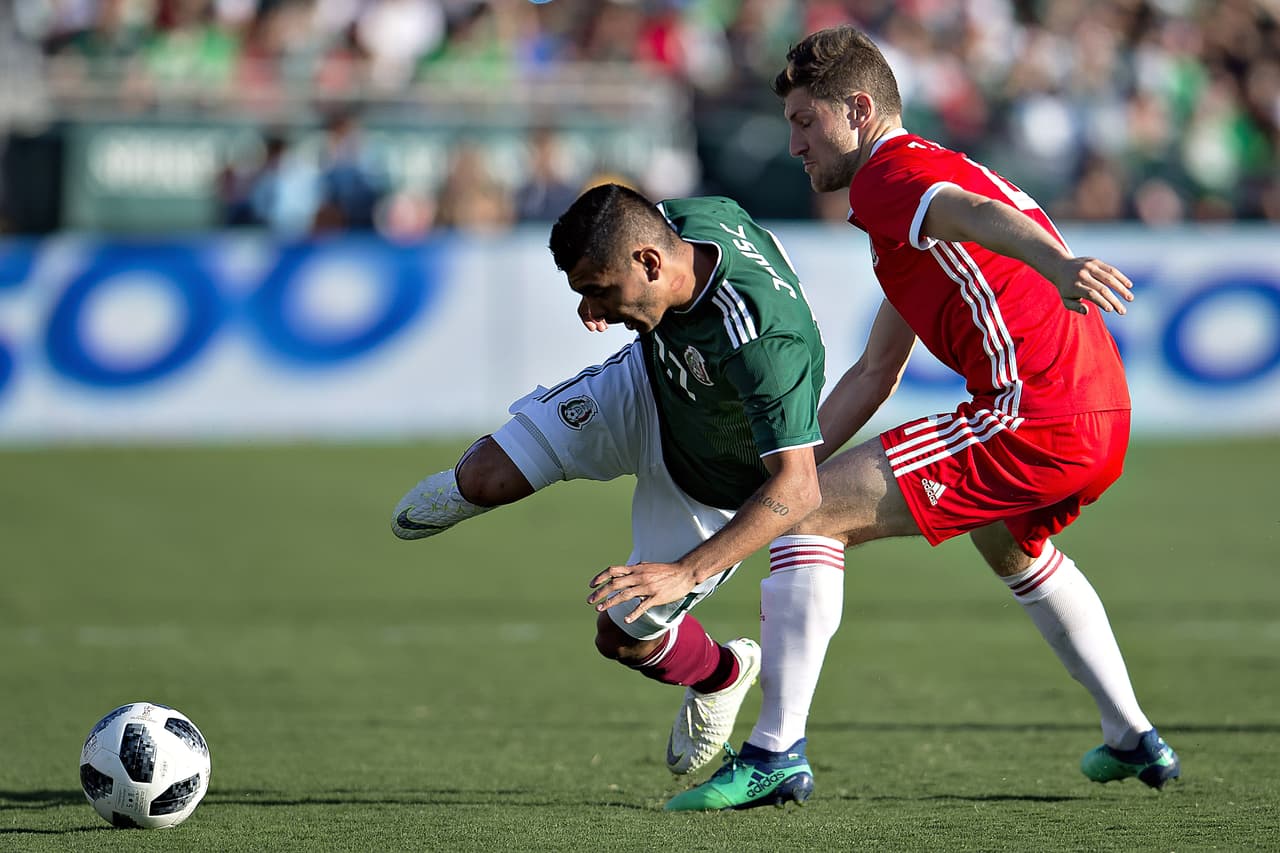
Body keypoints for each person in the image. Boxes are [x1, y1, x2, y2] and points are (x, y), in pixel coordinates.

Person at [589, 26, 1181, 811]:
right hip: (1097, 412)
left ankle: (775, 752)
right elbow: (876, 372)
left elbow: (972, 212)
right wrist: (781, 467)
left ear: (860, 110)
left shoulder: (889, 177)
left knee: (809, 519)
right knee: (1008, 543)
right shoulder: (910, 203)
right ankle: (1132, 733)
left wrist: (1059, 263)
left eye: (806, 121)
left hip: (1033, 412)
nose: (796, 145)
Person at [391, 182, 830, 780]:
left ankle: (721, 675)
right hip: (646, 388)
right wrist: (606, 294)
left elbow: (799, 488)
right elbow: (634, 220)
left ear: (649, 264)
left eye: (598, 292)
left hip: (712, 486)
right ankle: (471, 481)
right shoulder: (680, 223)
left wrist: (686, 571)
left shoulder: (764, 344)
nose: (592, 313)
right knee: (483, 479)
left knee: (620, 637)